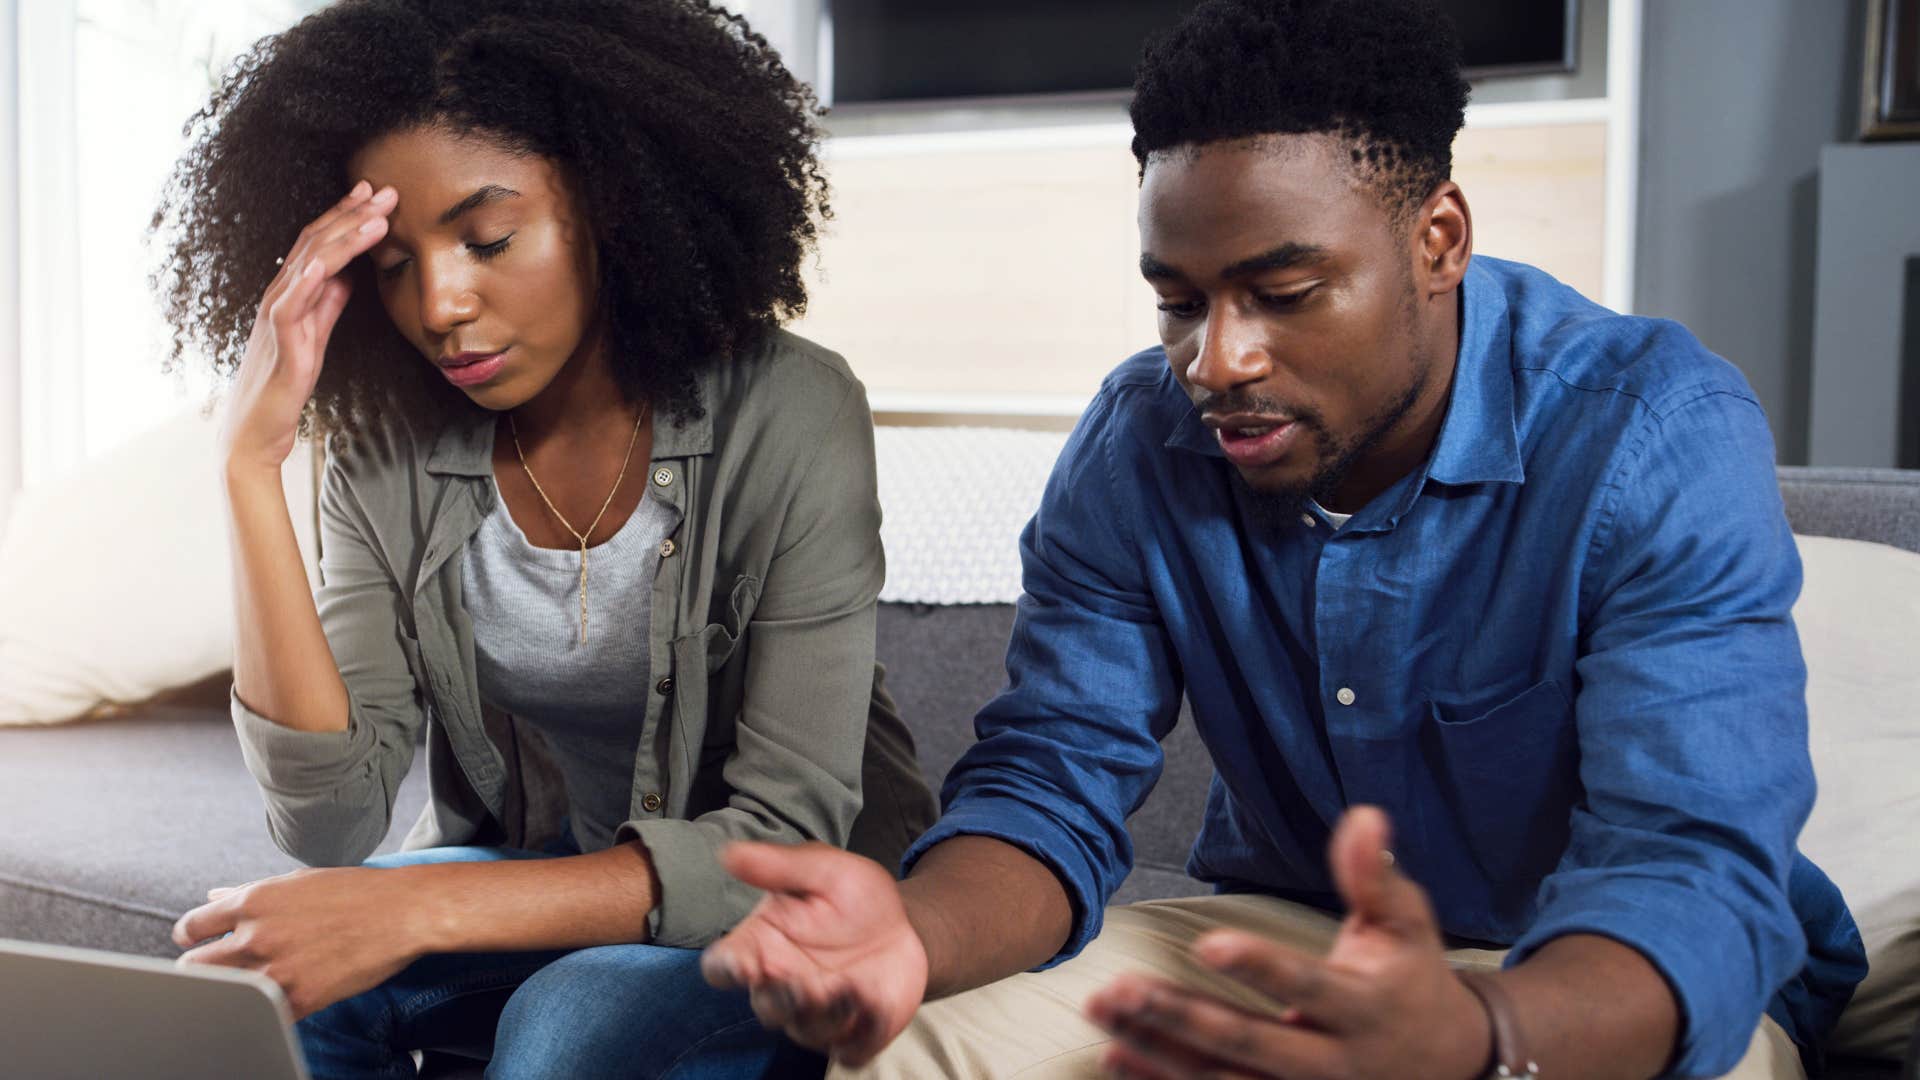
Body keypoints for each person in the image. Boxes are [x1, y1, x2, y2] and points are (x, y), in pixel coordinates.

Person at [698, 1, 1868, 1078]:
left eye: (1285, 292)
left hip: (1602, 978)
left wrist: (1479, 1034)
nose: (1217, 360)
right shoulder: (1136, 444)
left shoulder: (1652, 430)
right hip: (1291, 931)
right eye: (1178, 300)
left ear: (1439, 239)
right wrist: (912, 938)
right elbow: (1052, 780)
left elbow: (1690, 873)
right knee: (913, 1048)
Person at [152, 1, 935, 1076]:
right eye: (392, 262)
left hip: (788, 915)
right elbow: (329, 830)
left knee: (571, 1021)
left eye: (488, 239)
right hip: (534, 876)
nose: (439, 304)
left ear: (611, 202)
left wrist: (428, 908)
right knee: (254, 977)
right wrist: (249, 465)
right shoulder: (387, 445)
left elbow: (785, 839)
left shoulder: (789, 411)